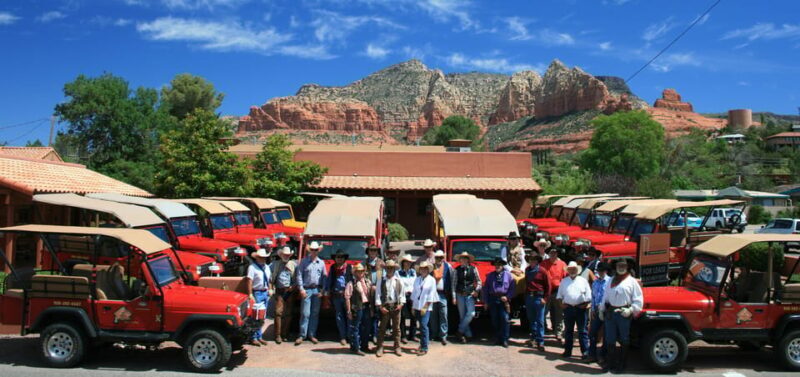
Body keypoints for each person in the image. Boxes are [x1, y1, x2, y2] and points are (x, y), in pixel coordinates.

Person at [601, 259, 644, 373]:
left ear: (627, 267)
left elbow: (639, 300)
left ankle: (622, 364)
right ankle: (610, 363)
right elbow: (605, 296)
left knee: (624, 339)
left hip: (623, 313)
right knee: (610, 339)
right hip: (610, 312)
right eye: (619, 265)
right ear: (615, 267)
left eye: (623, 265)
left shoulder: (632, 281)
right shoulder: (610, 280)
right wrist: (602, 309)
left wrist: (631, 310)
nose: (621, 267)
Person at [557, 261, 592, 359]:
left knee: (582, 331)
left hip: (580, 308)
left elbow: (589, 295)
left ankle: (585, 351)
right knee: (568, 330)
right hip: (568, 308)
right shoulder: (564, 281)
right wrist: (561, 305)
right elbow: (559, 295)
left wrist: (585, 304)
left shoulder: (583, 280)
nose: (572, 270)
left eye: (574, 269)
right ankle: (568, 351)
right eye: (570, 269)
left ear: (577, 270)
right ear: (568, 270)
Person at [295, 241, 327, 345]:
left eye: (316, 250)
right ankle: (302, 335)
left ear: (318, 251)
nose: (314, 251)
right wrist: (301, 289)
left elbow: (324, 277)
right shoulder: (304, 262)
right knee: (305, 313)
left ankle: (312, 334)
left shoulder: (321, 263)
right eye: (313, 249)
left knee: (315, 313)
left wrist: (322, 290)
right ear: (310, 250)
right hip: (307, 289)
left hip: (316, 290)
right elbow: (299, 275)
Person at [375, 260, 405, 357]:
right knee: (382, 328)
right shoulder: (381, 280)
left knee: (396, 328)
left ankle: (397, 346)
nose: (389, 270)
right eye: (388, 268)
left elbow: (402, 294)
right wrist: (380, 306)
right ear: (385, 269)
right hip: (385, 306)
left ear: (394, 269)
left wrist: (401, 304)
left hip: (396, 306)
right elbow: (378, 294)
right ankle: (380, 347)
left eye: (391, 268)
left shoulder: (398, 280)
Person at [483, 258, 515, 347]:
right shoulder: (490, 276)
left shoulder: (509, 276)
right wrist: (485, 302)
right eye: (496, 265)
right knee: (494, 319)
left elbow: (512, 289)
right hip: (493, 299)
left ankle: (505, 339)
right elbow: (485, 289)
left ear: (502, 266)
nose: (497, 266)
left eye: (499, 265)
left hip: (504, 300)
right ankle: (497, 338)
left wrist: (507, 297)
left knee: (505, 319)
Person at [451, 251, 482, 343]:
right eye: (462, 258)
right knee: (462, 316)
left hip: (470, 294)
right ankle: (468, 335)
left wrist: (477, 290)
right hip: (459, 294)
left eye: (465, 258)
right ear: (460, 260)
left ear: (468, 260)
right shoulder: (456, 270)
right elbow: (454, 284)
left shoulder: (474, 269)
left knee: (471, 313)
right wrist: (454, 297)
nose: (463, 260)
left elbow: (479, 282)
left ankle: (460, 331)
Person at [524, 254, 551, 351]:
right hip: (529, 296)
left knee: (540, 320)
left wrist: (545, 298)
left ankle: (541, 341)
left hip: (539, 297)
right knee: (531, 319)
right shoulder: (527, 270)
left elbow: (548, 286)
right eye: (531, 259)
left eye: (534, 260)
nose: (532, 261)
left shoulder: (543, 271)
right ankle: (534, 337)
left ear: (537, 261)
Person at [269, 246, 296, 344]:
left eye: (288, 255)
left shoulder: (293, 265)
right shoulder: (275, 265)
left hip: (289, 291)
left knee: (288, 314)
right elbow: (269, 277)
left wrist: (293, 286)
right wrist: (271, 288)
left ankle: (285, 334)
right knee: (278, 313)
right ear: (281, 255)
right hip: (280, 291)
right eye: (285, 254)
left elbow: (297, 278)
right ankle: (278, 335)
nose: (286, 256)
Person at [411, 261, 439, 356]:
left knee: (423, 326)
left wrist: (426, 307)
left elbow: (431, 294)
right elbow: (414, 293)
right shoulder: (417, 279)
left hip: (426, 307)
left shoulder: (431, 280)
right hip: (417, 305)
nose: (423, 270)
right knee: (421, 326)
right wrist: (413, 307)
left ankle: (424, 347)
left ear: (428, 270)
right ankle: (422, 343)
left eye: (425, 269)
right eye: (422, 269)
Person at [541, 246, 567, 343]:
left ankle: (558, 332)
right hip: (546, 291)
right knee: (543, 312)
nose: (553, 254)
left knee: (558, 313)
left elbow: (565, 278)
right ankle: (543, 331)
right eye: (551, 252)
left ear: (557, 254)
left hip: (558, 291)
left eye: (555, 253)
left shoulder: (562, 264)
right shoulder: (544, 264)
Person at [326, 250, 352, 345]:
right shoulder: (333, 268)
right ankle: (343, 337)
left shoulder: (349, 267)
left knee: (349, 315)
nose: (339, 259)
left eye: (341, 257)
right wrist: (327, 291)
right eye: (338, 257)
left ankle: (349, 336)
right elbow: (329, 280)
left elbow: (352, 280)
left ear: (344, 259)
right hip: (336, 295)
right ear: (335, 259)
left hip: (348, 296)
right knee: (339, 316)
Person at [345, 263, 372, 355]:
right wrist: (349, 311)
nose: (360, 273)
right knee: (355, 328)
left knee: (366, 327)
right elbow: (347, 297)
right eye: (358, 272)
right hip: (357, 307)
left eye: (361, 272)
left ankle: (364, 345)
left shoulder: (367, 281)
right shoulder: (351, 283)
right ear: (355, 273)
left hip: (366, 306)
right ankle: (355, 347)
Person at [246, 248, 271, 346]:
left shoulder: (266, 267)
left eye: (264, 257)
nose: (263, 259)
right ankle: (253, 337)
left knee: (262, 316)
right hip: (257, 292)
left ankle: (259, 336)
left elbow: (269, 279)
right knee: (255, 316)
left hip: (264, 292)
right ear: (257, 258)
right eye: (261, 257)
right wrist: (250, 293)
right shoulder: (252, 267)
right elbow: (249, 281)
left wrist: (270, 288)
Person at [588, 262, 612, 363]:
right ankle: (592, 355)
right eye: (599, 271)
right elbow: (593, 297)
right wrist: (593, 310)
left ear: (606, 271)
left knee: (606, 334)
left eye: (602, 271)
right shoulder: (595, 282)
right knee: (592, 333)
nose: (600, 272)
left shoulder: (610, 281)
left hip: (607, 309)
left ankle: (603, 355)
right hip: (597, 309)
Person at [429, 250, 453, 345]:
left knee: (444, 315)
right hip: (433, 294)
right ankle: (434, 334)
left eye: (440, 257)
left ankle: (443, 335)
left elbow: (452, 279)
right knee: (433, 315)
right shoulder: (431, 267)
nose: (439, 259)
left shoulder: (448, 267)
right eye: (437, 257)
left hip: (443, 294)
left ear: (443, 258)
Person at [364, 244, 384, 344]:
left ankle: (376, 334)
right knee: (368, 314)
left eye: (374, 251)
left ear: (377, 252)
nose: (372, 252)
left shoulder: (381, 263)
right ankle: (369, 334)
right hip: (367, 291)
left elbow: (383, 276)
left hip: (378, 290)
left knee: (377, 314)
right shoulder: (365, 262)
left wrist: (378, 286)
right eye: (371, 250)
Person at [397, 254, 417, 343]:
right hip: (403, 296)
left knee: (414, 315)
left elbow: (415, 284)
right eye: (406, 262)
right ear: (403, 263)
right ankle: (403, 335)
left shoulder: (413, 272)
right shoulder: (398, 273)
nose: (408, 264)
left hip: (412, 295)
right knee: (403, 316)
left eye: (409, 262)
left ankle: (412, 335)